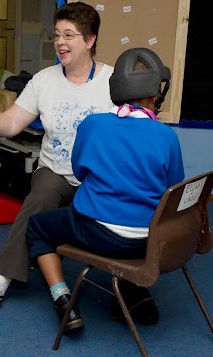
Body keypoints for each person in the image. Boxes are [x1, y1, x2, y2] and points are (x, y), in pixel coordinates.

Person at [0, 2, 115, 309]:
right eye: (57, 35)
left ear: (90, 40)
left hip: (97, 175)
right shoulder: (44, 80)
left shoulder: (112, 82)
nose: (60, 42)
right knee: (39, 199)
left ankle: (130, 287)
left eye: (69, 35)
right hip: (55, 170)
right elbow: (11, 122)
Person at [26, 47, 184, 333]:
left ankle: (62, 297)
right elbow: (173, 191)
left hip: (100, 234)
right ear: (153, 96)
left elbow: (79, 171)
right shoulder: (167, 135)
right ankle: (130, 289)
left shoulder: (93, 124)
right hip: (149, 241)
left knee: (37, 226)